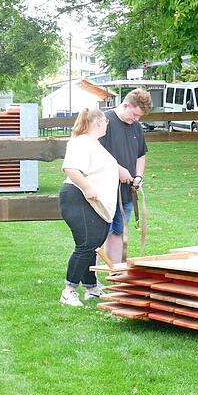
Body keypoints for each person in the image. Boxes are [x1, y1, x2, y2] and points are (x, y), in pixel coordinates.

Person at [58, 109, 118, 307]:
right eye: (106, 121)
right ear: (98, 122)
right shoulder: (81, 141)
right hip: (79, 198)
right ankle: (69, 291)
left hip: (94, 202)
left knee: (92, 245)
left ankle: (91, 288)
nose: (108, 124)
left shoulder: (94, 144)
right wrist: (87, 187)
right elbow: (70, 168)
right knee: (86, 244)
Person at [99, 89, 153, 264]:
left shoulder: (136, 126)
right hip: (102, 192)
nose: (136, 119)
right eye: (135, 114)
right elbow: (94, 154)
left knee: (118, 232)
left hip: (126, 192)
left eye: (140, 117)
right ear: (126, 104)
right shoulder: (103, 121)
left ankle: (114, 275)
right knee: (98, 237)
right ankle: (90, 280)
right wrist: (118, 169)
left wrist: (138, 176)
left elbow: (141, 155)